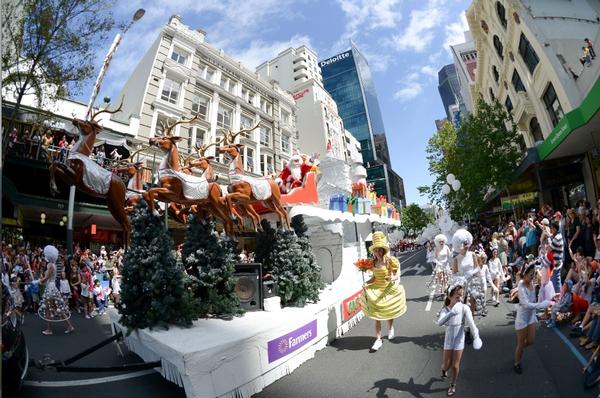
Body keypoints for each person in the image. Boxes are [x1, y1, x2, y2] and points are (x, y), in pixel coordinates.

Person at [361, 231, 407, 351]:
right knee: (377, 316)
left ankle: (391, 328)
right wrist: (366, 283)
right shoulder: (373, 262)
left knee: (389, 312)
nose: (378, 252)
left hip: (388, 289)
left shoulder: (390, 260)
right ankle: (378, 339)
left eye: (380, 250)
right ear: (374, 251)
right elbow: (374, 278)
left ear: (383, 250)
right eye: (376, 250)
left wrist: (392, 277)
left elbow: (396, 275)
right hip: (376, 290)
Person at [437, 278, 482, 396]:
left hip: (459, 340)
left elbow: (472, 324)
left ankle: (453, 385)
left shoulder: (464, 308)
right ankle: (443, 370)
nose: (460, 299)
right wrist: (451, 313)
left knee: (455, 365)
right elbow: (440, 322)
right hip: (448, 340)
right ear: (450, 297)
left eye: (461, 296)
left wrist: (476, 336)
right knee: (446, 365)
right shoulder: (445, 309)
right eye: (457, 297)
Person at [514, 263, 555, 374]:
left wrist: (551, 299)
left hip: (531, 316)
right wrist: (542, 305)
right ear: (525, 274)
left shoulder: (531, 282)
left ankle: (520, 349)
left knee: (531, 341)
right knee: (521, 343)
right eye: (531, 275)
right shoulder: (521, 286)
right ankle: (517, 363)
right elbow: (526, 304)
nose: (533, 277)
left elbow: (538, 293)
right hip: (522, 318)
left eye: (534, 274)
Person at [38, 245, 75, 335]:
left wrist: (38, 281)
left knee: (48, 309)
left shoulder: (50, 265)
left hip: (50, 288)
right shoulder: (53, 265)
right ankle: (69, 326)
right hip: (52, 287)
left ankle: (49, 330)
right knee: (56, 308)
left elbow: (46, 278)